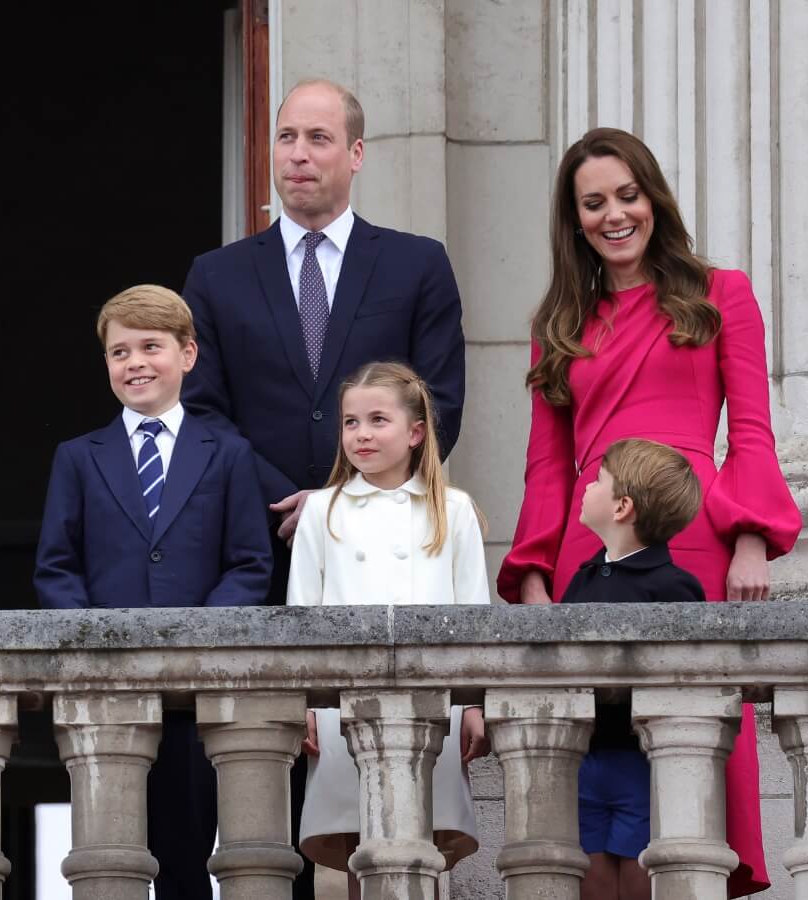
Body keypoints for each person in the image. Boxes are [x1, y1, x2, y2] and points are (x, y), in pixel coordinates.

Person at [497, 127, 802, 896]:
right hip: (588, 554)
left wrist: (751, 539)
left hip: (693, 541)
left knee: (690, 763)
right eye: (593, 203)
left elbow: (752, 432)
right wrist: (533, 573)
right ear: (574, 221)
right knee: (596, 779)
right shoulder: (558, 324)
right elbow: (545, 464)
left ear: (653, 199)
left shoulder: (721, 293)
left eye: (627, 196)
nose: (614, 215)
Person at [181, 78, 467, 896]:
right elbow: (202, 411)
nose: (298, 156)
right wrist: (292, 502)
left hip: (386, 561)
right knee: (262, 787)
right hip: (255, 555)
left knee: (383, 799)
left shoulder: (415, 264)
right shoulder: (217, 275)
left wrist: (340, 501)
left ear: (356, 153)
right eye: (286, 138)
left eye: (317, 139)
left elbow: (438, 402)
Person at [34, 284, 272, 895]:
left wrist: (197, 637)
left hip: (196, 696)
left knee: (187, 853)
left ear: (187, 354)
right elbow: (57, 567)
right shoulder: (77, 457)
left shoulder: (229, 454)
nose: (135, 362)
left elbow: (249, 564)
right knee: (108, 854)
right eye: (120, 352)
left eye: (150, 347)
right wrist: (94, 640)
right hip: (108, 689)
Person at [287, 361, 487, 899]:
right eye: (351, 422)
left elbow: (475, 614)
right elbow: (301, 615)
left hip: (433, 701)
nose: (362, 434)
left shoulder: (454, 509)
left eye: (378, 420)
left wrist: (473, 703)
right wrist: (304, 701)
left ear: (416, 432)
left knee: (425, 839)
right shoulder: (322, 510)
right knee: (360, 843)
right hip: (343, 706)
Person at [563, 438, 705, 900]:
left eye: (598, 480)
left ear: (622, 507)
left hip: (642, 762)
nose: (587, 486)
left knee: (642, 877)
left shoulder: (674, 587)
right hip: (584, 757)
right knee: (590, 878)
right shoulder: (583, 578)